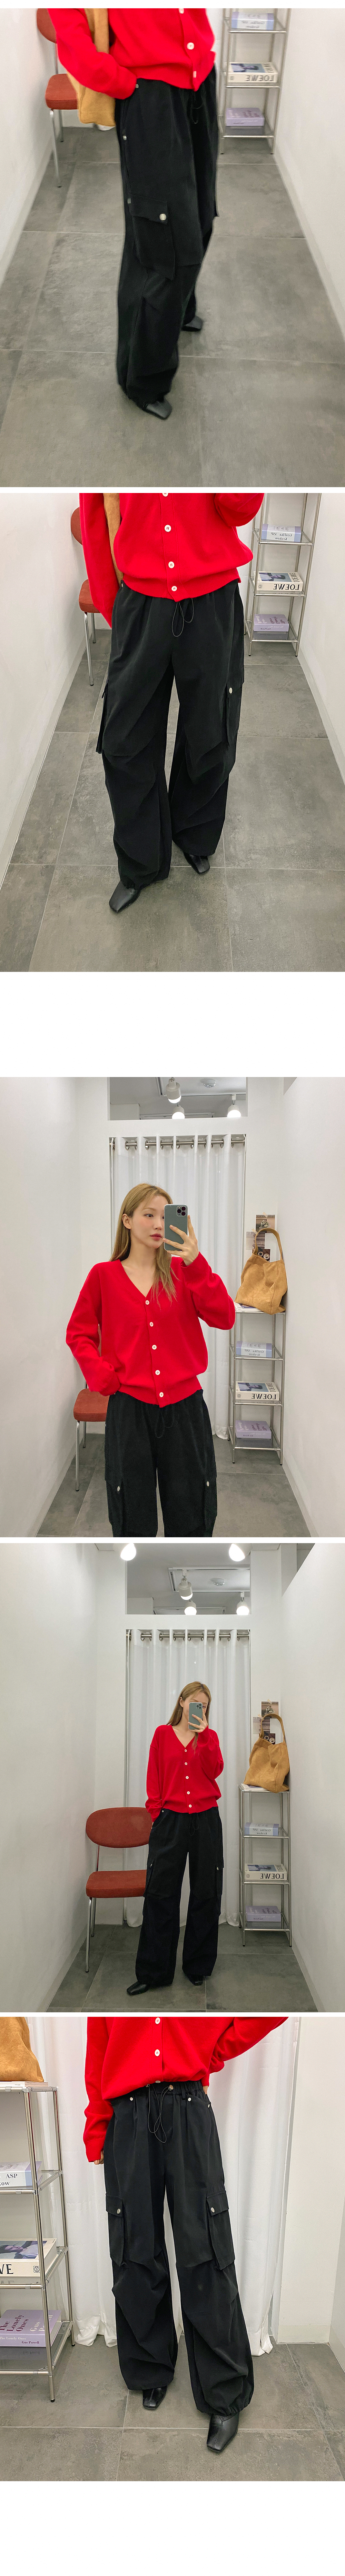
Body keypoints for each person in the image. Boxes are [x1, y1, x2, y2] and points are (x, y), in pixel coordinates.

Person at [83, 2013, 283, 2451]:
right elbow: (99, 2046)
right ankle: (150, 2367)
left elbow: (267, 2014)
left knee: (206, 2250)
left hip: (189, 2109)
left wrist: (208, 2052)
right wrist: (97, 2125)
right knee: (135, 2246)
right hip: (126, 2116)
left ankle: (224, 2392)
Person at [79, 488, 264, 910]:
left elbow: (239, 509)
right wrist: (115, 604)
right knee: (123, 739)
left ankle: (195, 833)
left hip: (212, 596)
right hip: (140, 599)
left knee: (211, 729)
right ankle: (141, 861)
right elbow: (97, 505)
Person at [49, 11, 219, 420]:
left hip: (200, 80)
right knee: (162, 242)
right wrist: (125, 84)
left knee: (200, 215)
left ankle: (180, 310)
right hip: (149, 94)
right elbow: (72, 38)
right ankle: (142, 378)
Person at [66, 1182, 235, 1536]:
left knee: (191, 1510)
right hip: (129, 1411)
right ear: (127, 1220)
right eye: (149, 1215)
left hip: (185, 1410)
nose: (159, 1224)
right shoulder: (103, 1276)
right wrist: (101, 1376)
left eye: (164, 1216)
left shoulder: (184, 1272)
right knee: (132, 1511)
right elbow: (79, 1333)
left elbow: (225, 1317)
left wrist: (195, 1263)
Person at [127, 1680, 224, 1995]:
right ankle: (154, 1972)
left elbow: (215, 1770)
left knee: (206, 1892)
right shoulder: (162, 1734)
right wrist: (157, 1813)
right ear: (182, 1702)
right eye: (196, 1702)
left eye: (204, 1706)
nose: (200, 1708)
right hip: (170, 1821)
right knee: (160, 1894)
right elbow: (153, 1776)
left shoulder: (209, 1738)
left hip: (206, 1820)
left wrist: (204, 1736)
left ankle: (198, 1966)